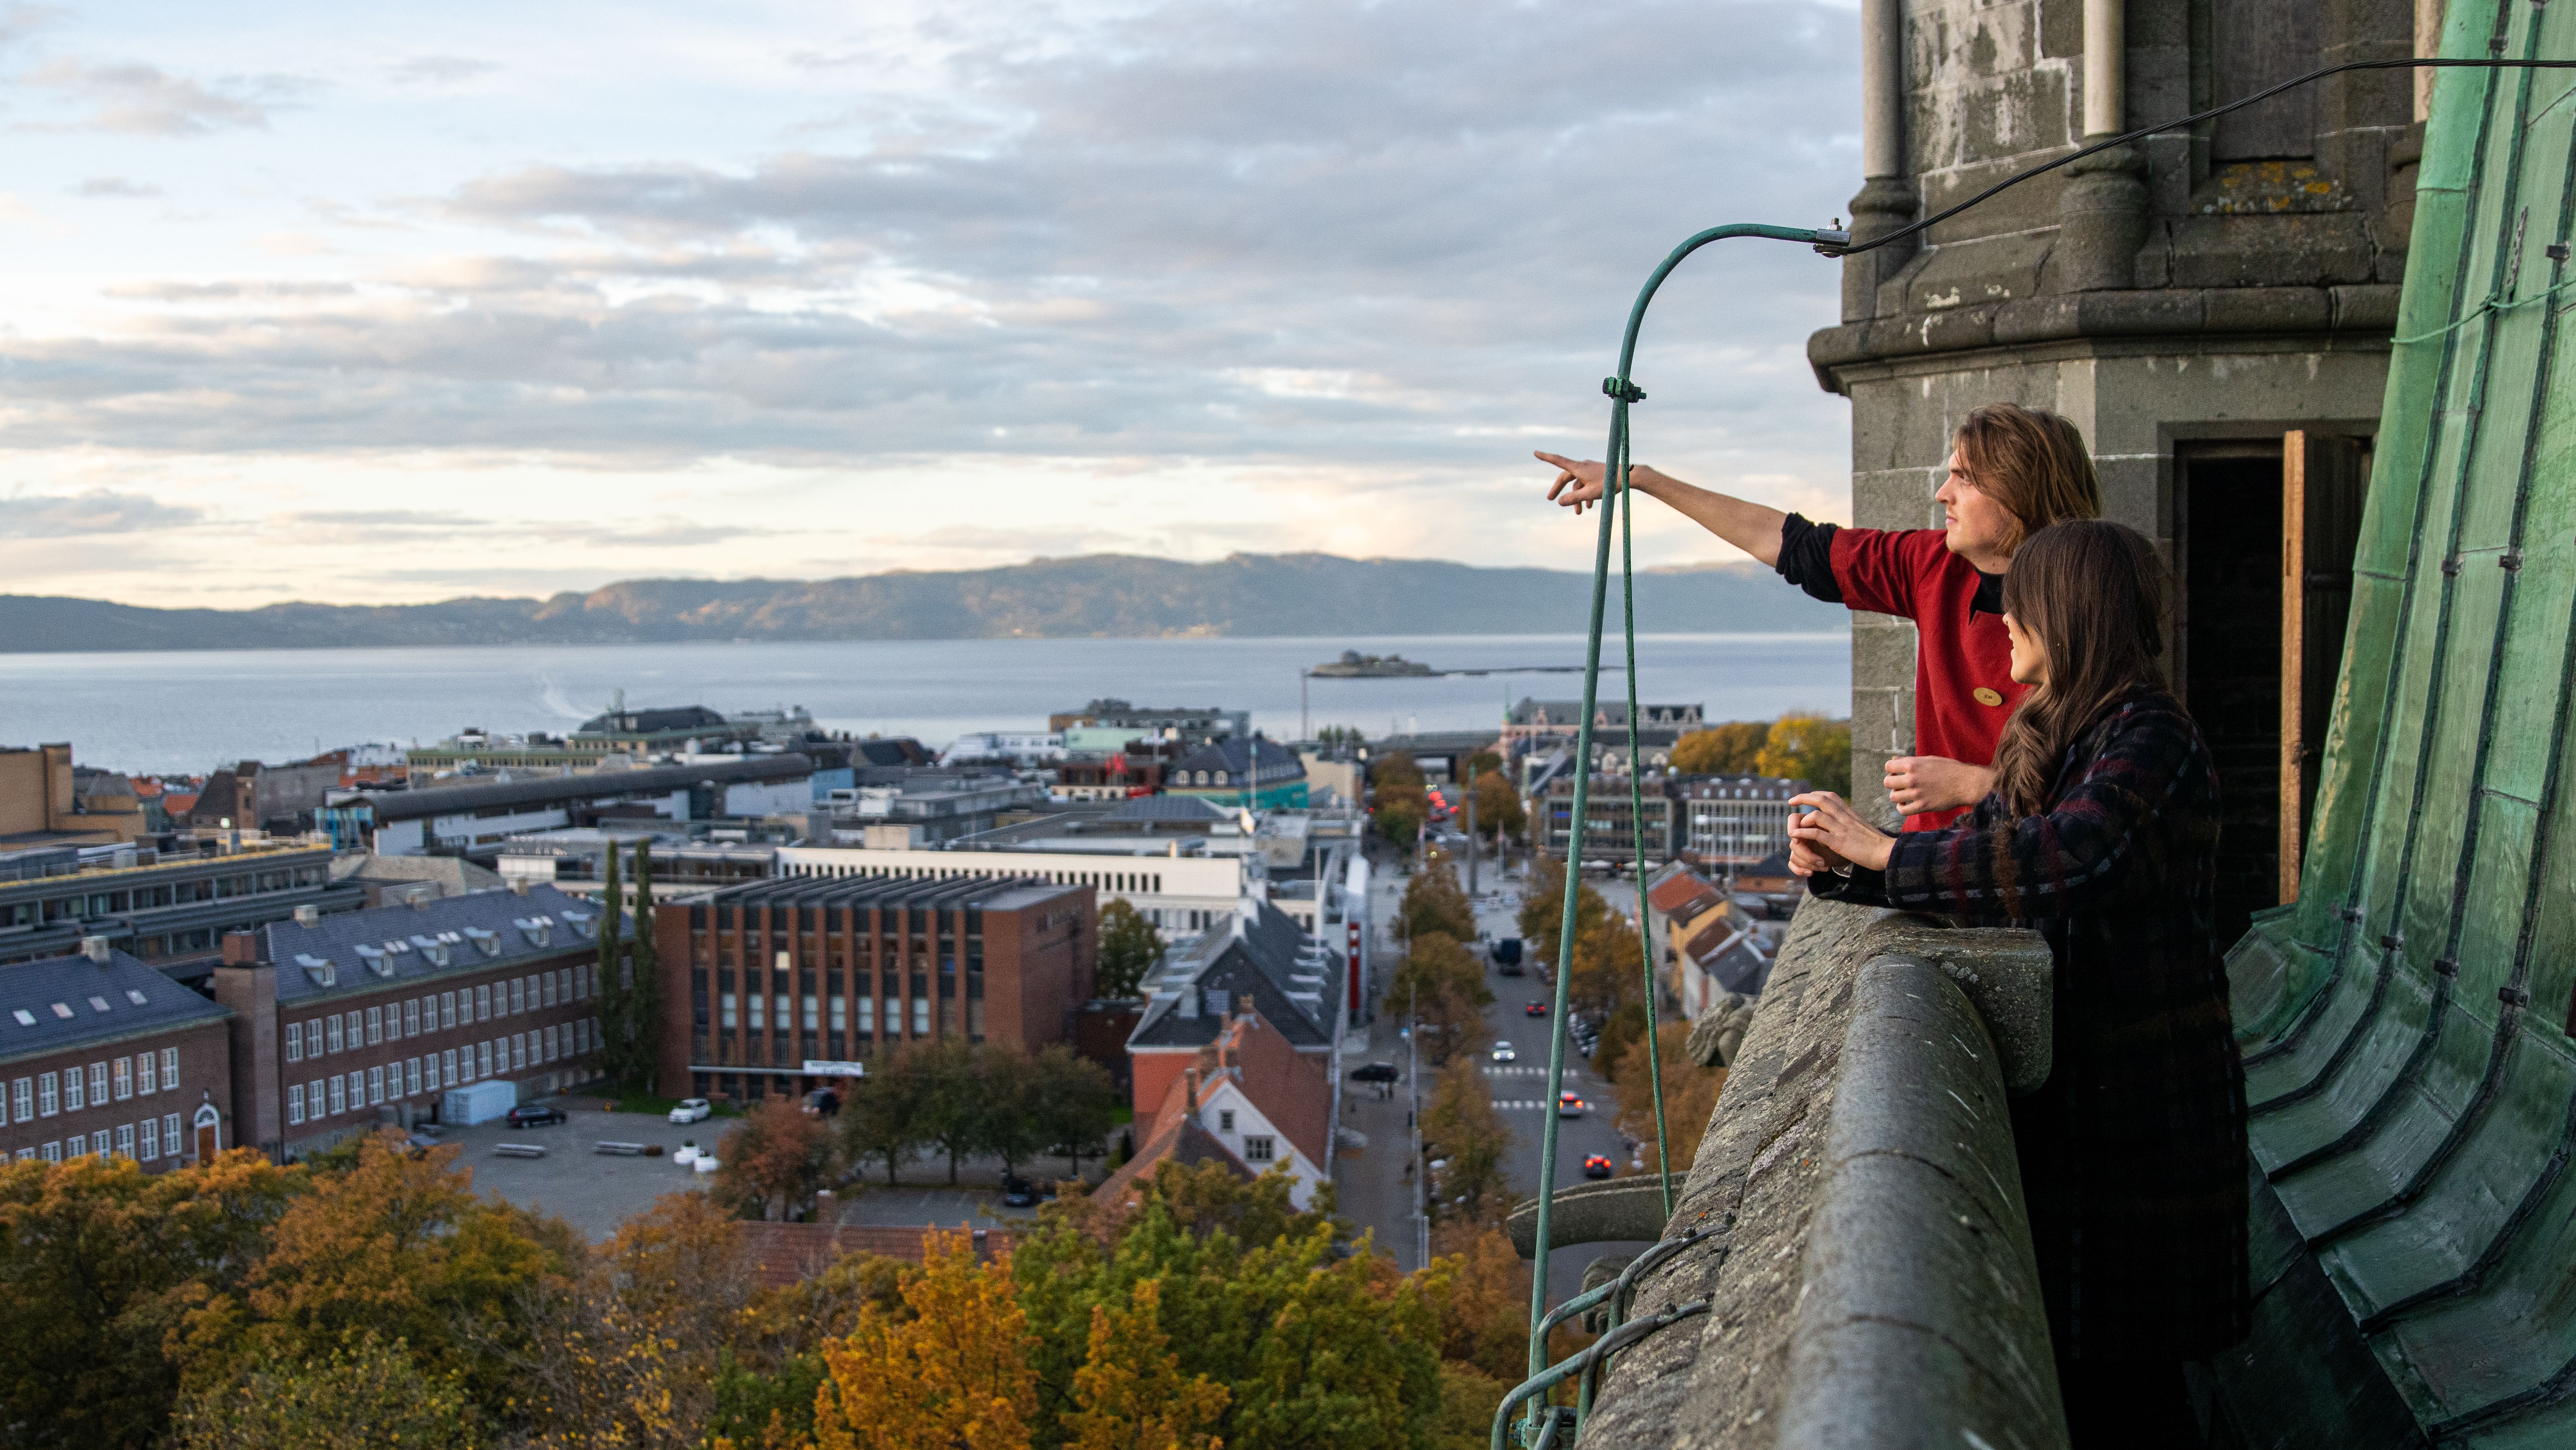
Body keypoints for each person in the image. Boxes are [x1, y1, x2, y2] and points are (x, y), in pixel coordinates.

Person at [1783, 519, 2247, 1445]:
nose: (2001, 623)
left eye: (2017, 605)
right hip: (2098, 1128)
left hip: (2143, 1131)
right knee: (2101, 1387)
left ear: (2065, 614)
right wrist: (1846, 870)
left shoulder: (2153, 735)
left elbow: (2070, 856)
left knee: (2136, 1399)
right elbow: (1983, 852)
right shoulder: (2063, 733)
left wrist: (1880, 852)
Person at [1539, 402, 2100, 829]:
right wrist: (1641, 479)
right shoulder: (1935, 566)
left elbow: (2098, 802)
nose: (1942, 493)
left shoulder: (2094, 611)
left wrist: (1975, 784)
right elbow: (1794, 546)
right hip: (1938, 871)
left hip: (2037, 890)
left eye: (1966, 478)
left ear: (2019, 492)